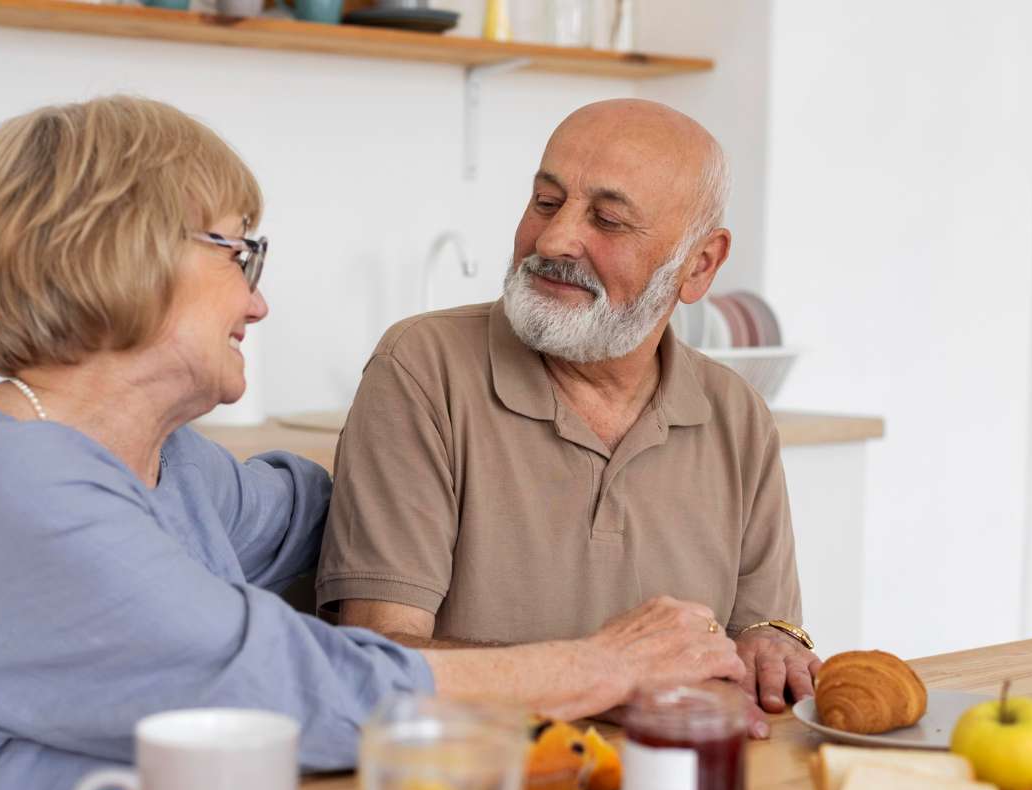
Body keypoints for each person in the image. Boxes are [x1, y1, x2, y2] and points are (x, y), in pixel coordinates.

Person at [0, 96, 742, 790]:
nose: (258, 302)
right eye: (238, 254)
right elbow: (296, 688)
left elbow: (335, 511)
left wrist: (470, 435)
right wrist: (604, 662)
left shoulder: (170, 471)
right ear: (120, 249)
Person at [317, 99, 820, 738]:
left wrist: (774, 646)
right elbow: (378, 664)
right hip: (479, 779)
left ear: (699, 265)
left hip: (673, 778)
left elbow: (761, 640)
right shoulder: (422, 367)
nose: (553, 240)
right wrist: (606, 676)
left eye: (607, 219)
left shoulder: (738, 414)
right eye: (546, 202)